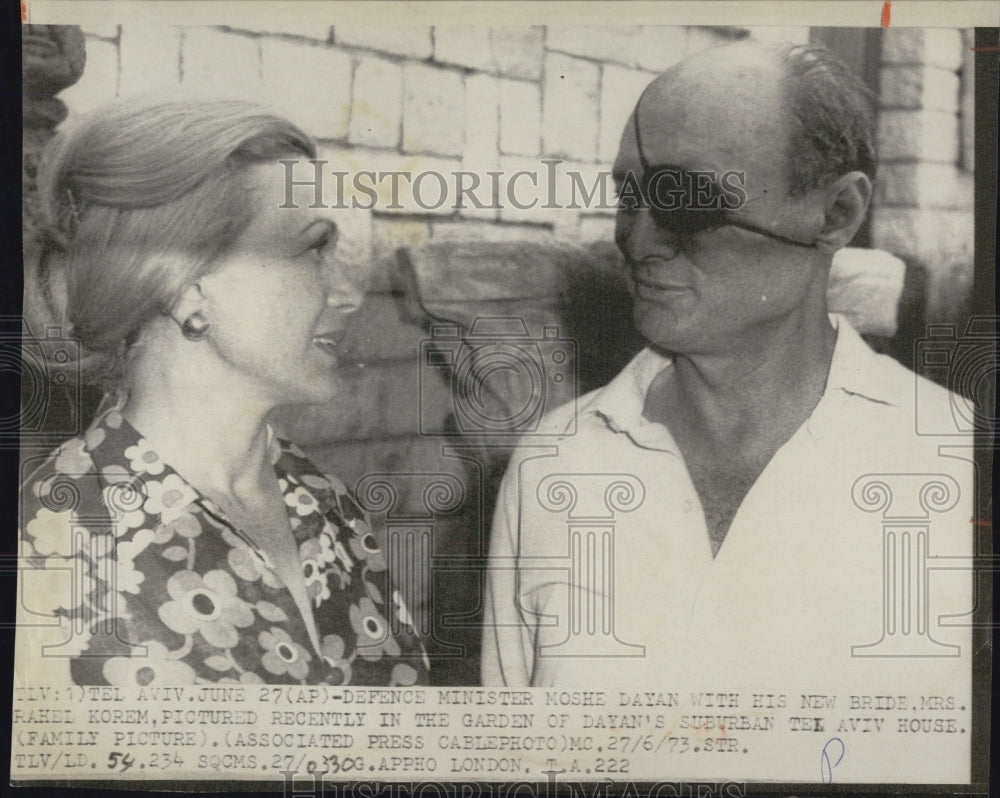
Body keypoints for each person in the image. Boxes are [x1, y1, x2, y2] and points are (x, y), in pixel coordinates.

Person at [482, 41, 973, 705]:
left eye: (685, 200)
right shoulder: (555, 462)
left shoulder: (956, 462)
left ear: (836, 215)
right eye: (629, 198)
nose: (637, 241)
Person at [18, 96, 428, 687]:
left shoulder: (325, 501)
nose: (345, 294)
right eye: (312, 249)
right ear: (186, 287)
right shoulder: (57, 542)